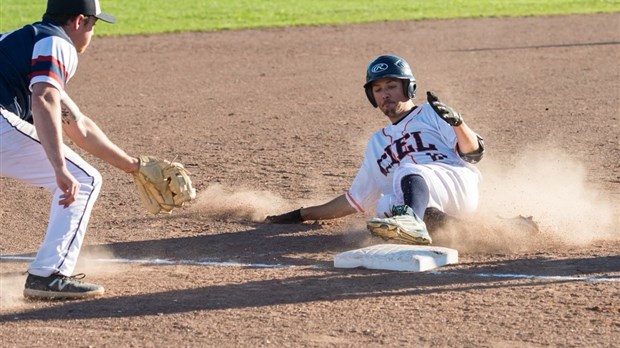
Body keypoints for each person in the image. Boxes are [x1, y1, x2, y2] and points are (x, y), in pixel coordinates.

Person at [265, 54, 485, 245]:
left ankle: (413, 223)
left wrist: (458, 124)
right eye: (377, 89)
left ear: (409, 88)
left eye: (391, 86)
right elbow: (355, 200)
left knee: (408, 170)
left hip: (456, 183)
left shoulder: (430, 113)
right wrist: (302, 215)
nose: (384, 94)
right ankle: (467, 232)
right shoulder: (376, 143)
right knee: (386, 204)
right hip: (426, 202)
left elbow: (473, 153)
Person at [0, 0, 137, 300]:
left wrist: (134, 166)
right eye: (93, 24)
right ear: (78, 21)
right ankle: (47, 275)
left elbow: (79, 127)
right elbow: (45, 98)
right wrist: (60, 167)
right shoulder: (57, 43)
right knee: (84, 179)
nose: (91, 33)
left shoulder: (23, 42)